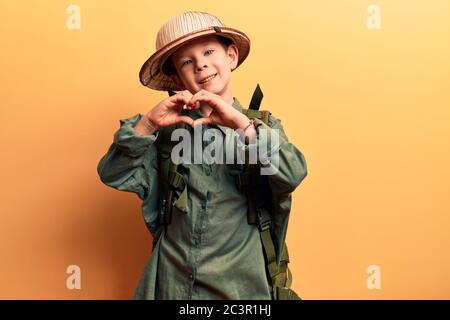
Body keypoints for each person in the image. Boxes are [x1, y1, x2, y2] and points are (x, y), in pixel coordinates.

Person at [97, 11, 307, 299]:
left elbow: (293, 174)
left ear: (231, 56)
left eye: (208, 51)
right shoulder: (165, 133)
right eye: (186, 61)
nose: (201, 64)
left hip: (242, 288)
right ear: (176, 77)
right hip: (172, 285)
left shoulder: (262, 128)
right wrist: (147, 125)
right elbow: (112, 173)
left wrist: (242, 125)